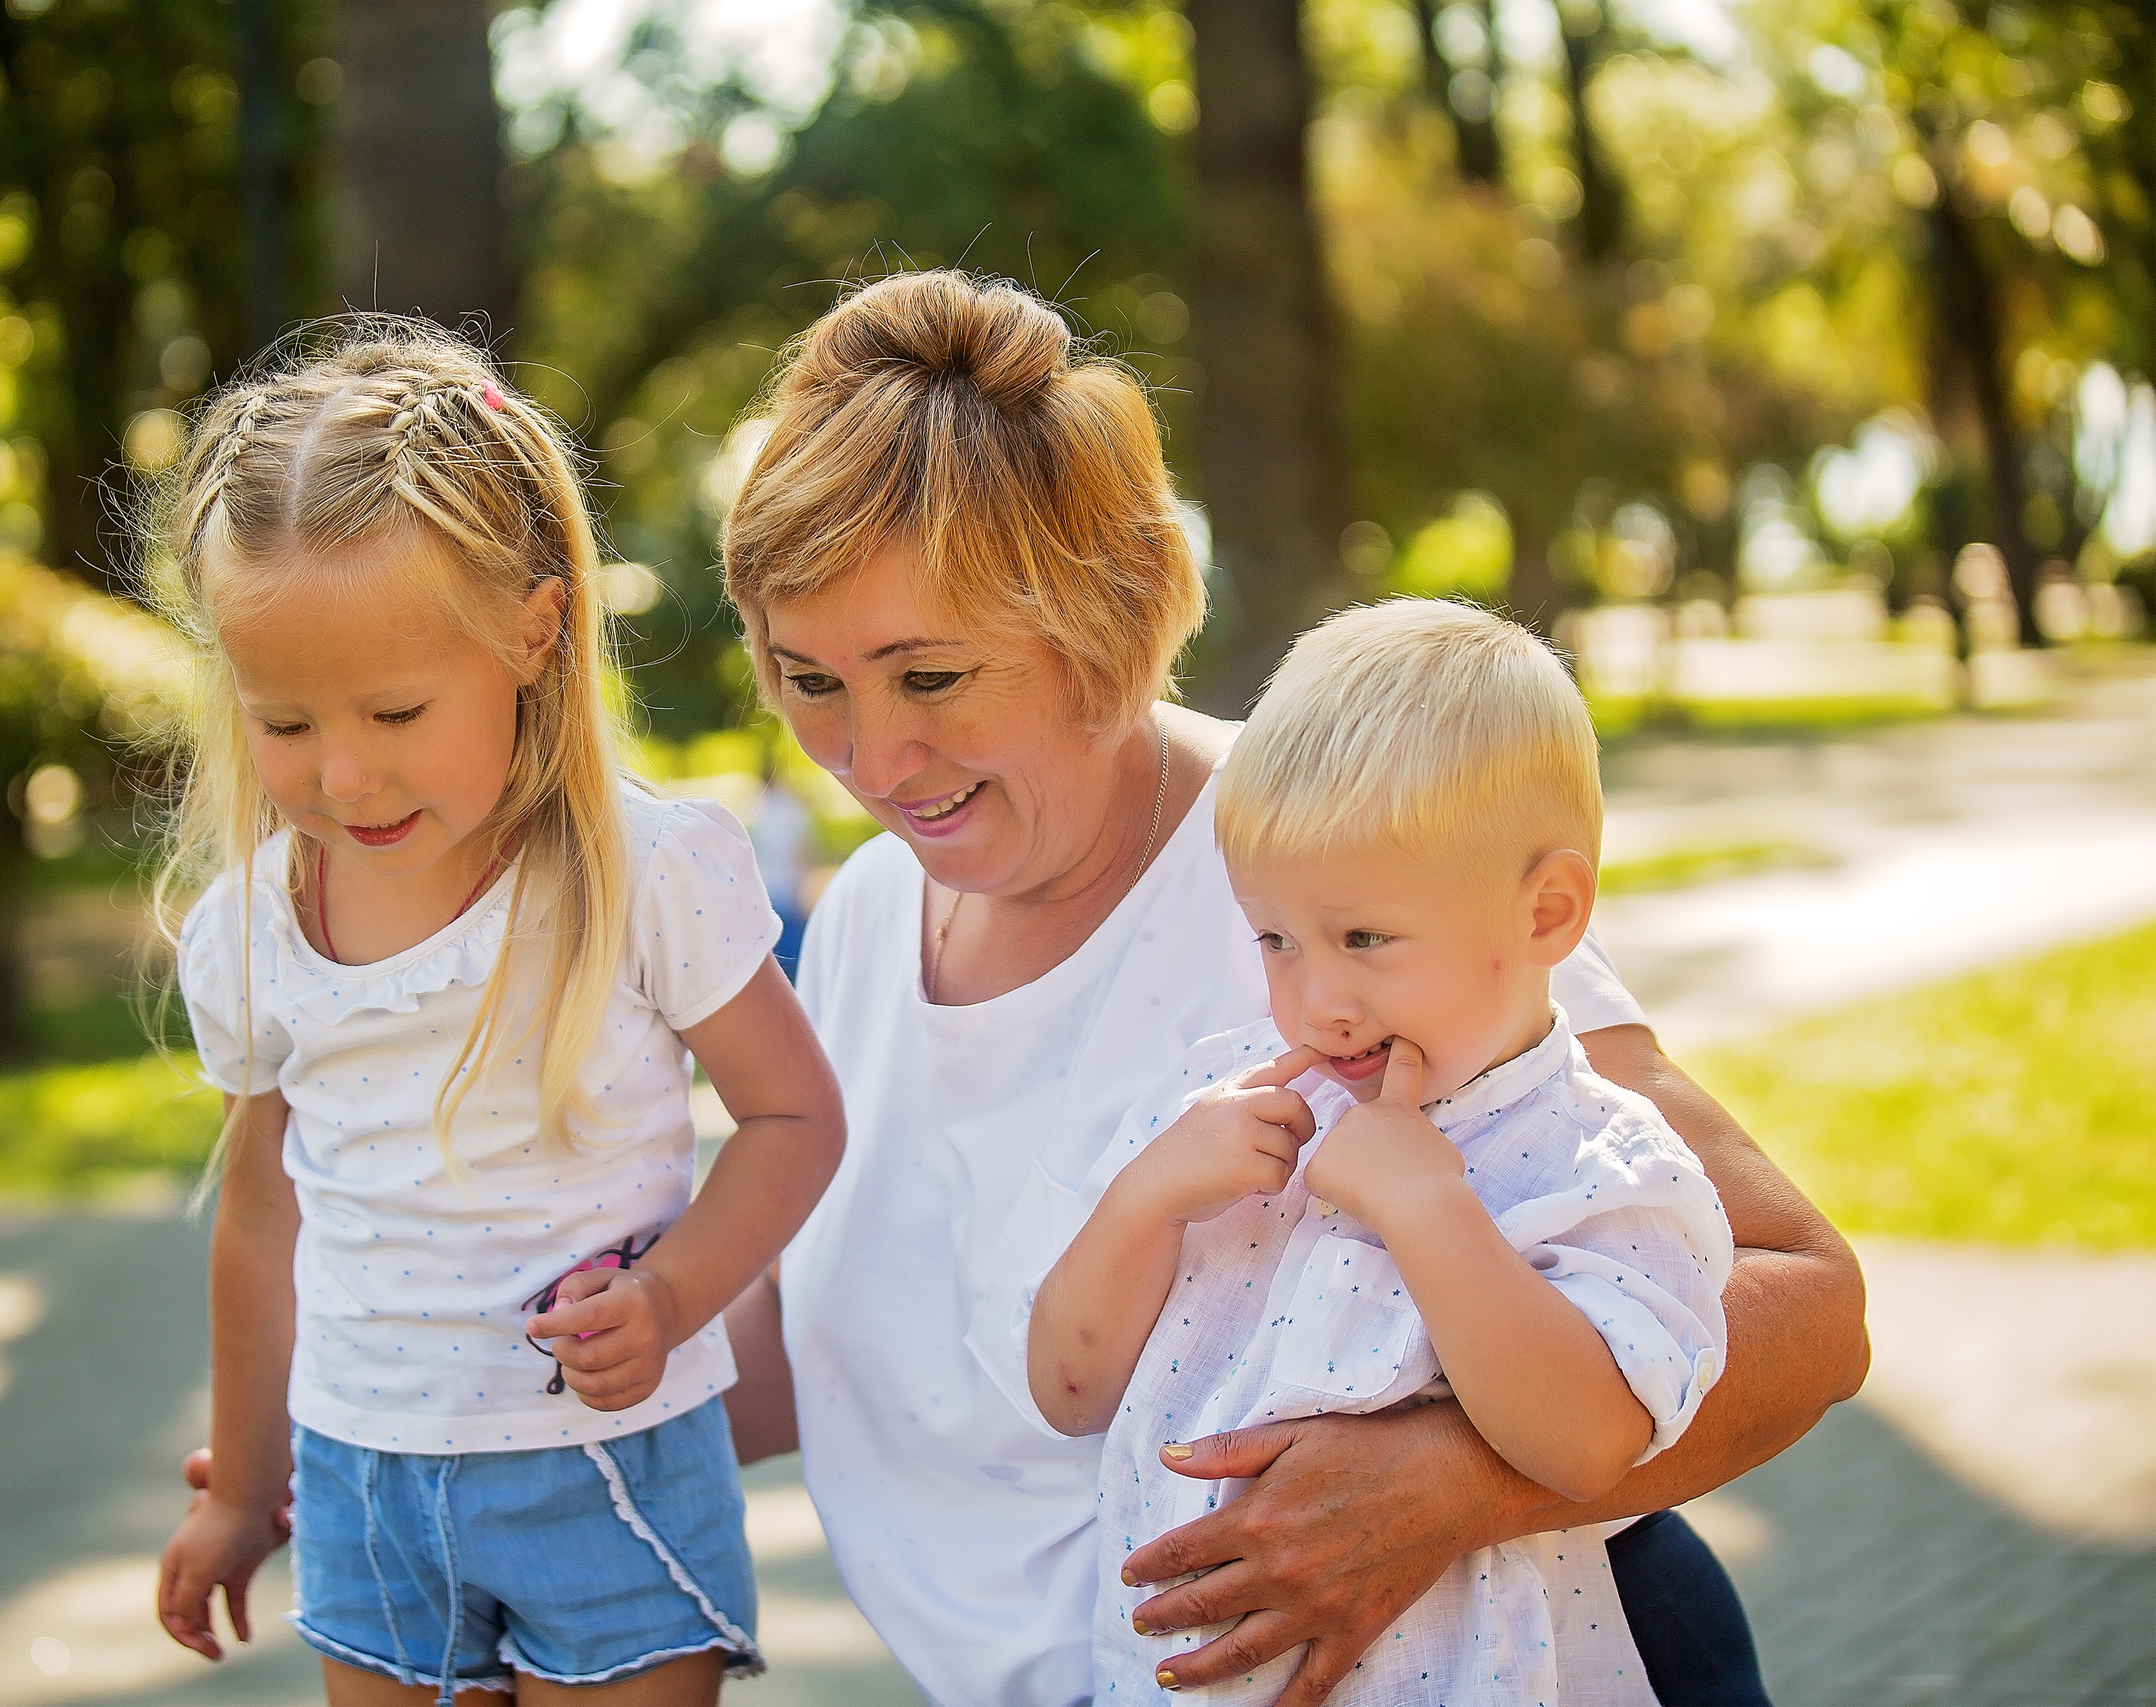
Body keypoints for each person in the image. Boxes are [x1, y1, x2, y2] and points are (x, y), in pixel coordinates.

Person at [715, 270, 1864, 1706]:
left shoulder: (1334, 859)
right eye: (808, 677)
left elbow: (1807, 1302)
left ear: (1108, 615)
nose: (871, 762)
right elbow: (831, 1323)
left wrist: (1448, 1486)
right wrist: (442, 1399)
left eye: (932, 676)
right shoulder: (872, 910)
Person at [145, 319, 846, 1707]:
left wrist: (671, 1293)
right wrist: (243, 1479)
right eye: (285, 722)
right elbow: (260, 1212)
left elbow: (796, 1114)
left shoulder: (644, 873)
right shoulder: (250, 930)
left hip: (609, 1460)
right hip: (360, 1479)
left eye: (397, 708)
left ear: (532, 629)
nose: (344, 771)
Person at [1017, 601, 1733, 1704]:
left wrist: (1430, 1214)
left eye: (1364, 940)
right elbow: (1066, 1392)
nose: (1318, 1001)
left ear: (1548, 913)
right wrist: (1141, 1204)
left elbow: (1588, 1443)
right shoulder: (1222, 1106)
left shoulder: (1600, 1163)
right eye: (1274, 940)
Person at [745, 754, 815, 981]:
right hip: (788, 885)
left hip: (767, 886)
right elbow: (802, 851)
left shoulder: (758, 808)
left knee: (774, 950)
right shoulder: (792, 809)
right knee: (794, 950)